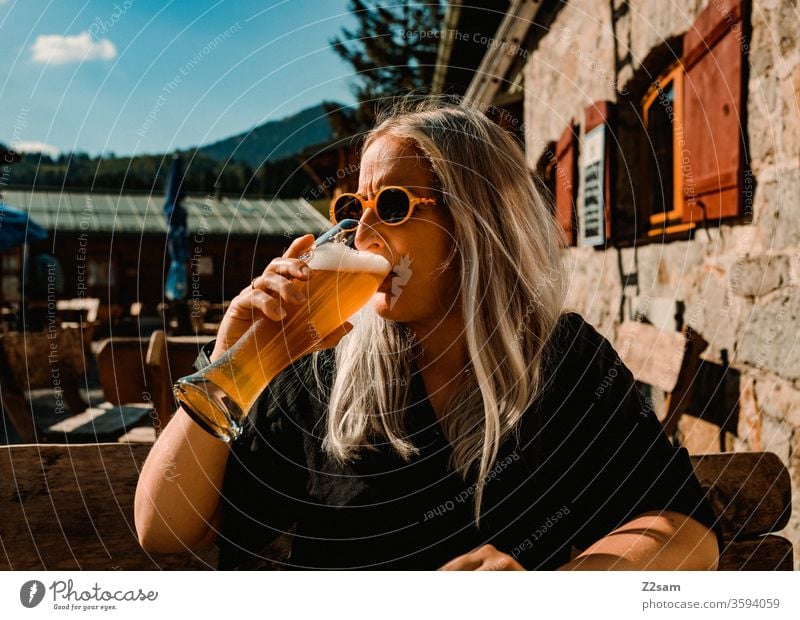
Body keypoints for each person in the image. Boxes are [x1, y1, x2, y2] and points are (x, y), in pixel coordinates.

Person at [134, 98, 722, 570]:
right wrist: (231, 365)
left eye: (391, 205)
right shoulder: (321, 369)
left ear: (477, 221)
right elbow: (163, 528)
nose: (361, 231)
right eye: (353, 205)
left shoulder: (559, 359)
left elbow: (683, 527)